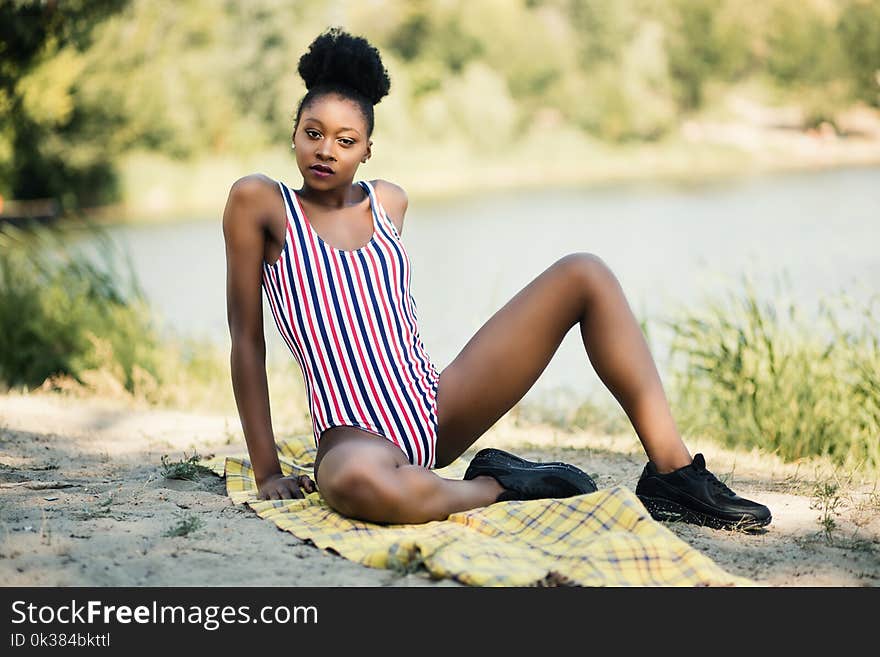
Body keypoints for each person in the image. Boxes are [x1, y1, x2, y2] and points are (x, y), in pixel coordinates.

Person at [222, 27, 772, 530]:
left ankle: (673, 477)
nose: (325, 150)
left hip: (437, 404)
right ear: (293, 134)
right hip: (353, 437)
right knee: (352, 485)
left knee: (586, 272)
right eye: (312, 133)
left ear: (367, 150)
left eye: (345, 140)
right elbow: (247, 339)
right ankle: (498, 486)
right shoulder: (260, 203)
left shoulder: (388, 202)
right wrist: (268, 471)